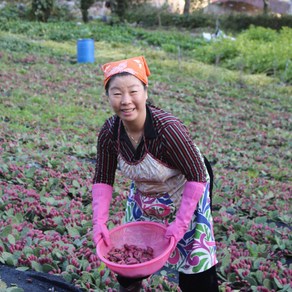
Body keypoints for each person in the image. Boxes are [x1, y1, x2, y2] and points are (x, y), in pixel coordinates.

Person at [92, 56, 219, 292]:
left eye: (133, 91)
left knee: (194, 263)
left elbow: (197, 175)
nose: (126, 101)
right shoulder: (110, 132)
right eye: (117, 93)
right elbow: (103, 177)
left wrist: (180, 224)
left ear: (145, 93)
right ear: (108, 97)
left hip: (188, 187)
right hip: (145, 191)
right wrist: (99, 221)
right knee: (127, 256)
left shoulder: (167, 128)